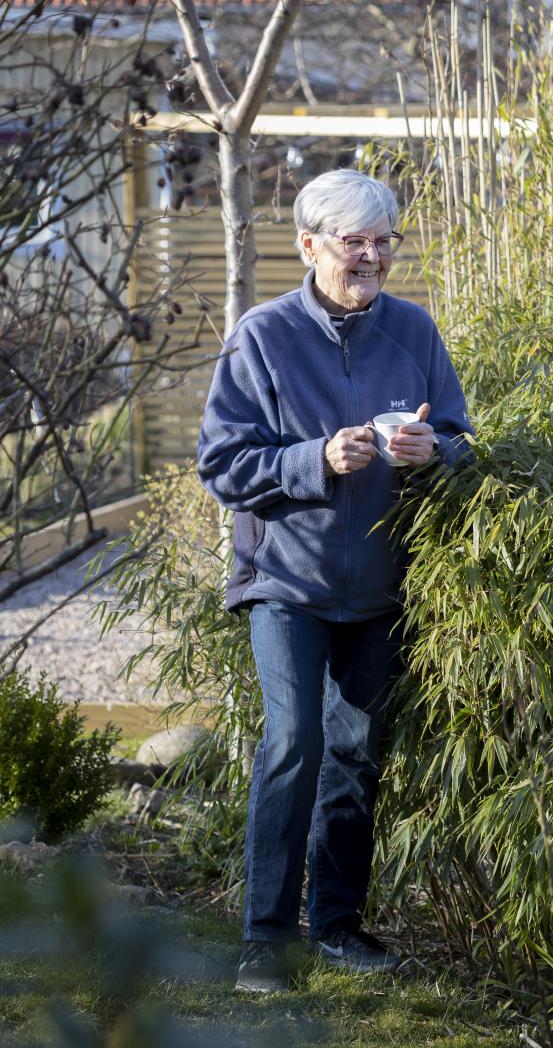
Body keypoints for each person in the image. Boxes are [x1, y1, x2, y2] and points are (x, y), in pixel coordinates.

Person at [197, 169, 471, 994]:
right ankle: (265, 939)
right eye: (355, 242)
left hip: (382, 587)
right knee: (294, 744)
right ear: (309, 244)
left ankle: (339, 926)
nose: (373, 258)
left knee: (356, 752)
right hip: (286, 580)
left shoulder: (414, 332)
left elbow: (460, 436)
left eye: (384, 242)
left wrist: (437, 456)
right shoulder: (262, 335)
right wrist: (314, 458)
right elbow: (222, 464)